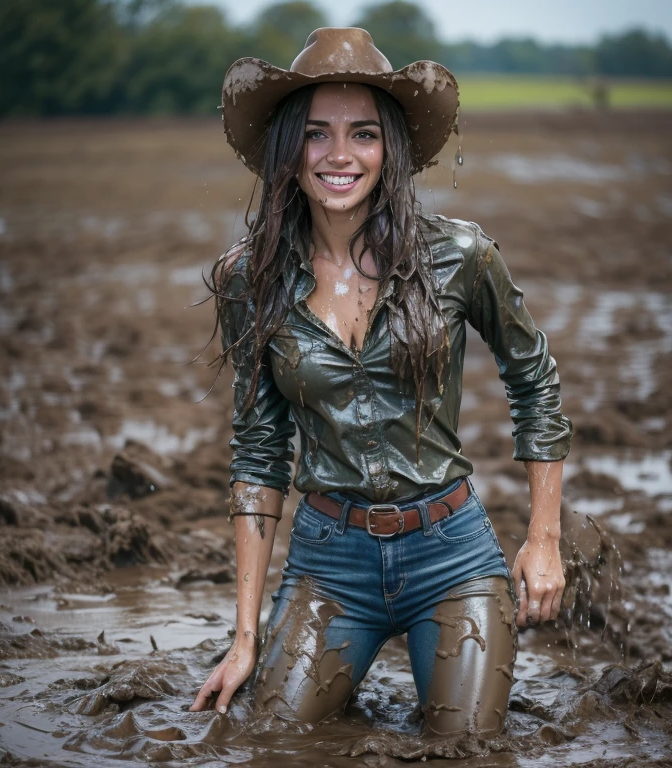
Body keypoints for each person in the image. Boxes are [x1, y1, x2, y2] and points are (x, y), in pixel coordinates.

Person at [190, 27, 572, 736]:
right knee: (274, 739)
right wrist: (245, 637)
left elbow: (535, 381)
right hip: (329, 564)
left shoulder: (462, 256)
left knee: (466, 747)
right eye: (316, 135)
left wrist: (543, 537)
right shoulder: (248, 280)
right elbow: (258, 452)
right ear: (286, 149)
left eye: (363, 134)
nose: (340, 156)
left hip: (452, 553)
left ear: (390, 147)